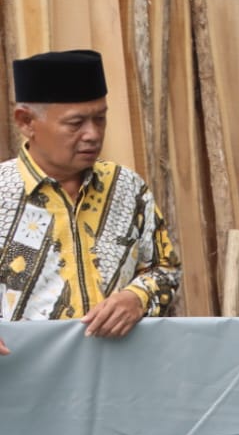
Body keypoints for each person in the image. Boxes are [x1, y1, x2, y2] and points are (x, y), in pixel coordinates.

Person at [0, 49, 180, 335]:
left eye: (100, 119)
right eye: (76, 123)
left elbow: (166, 268)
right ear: (26, 122)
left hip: (117, 371)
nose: (93, 134)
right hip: (21, 374)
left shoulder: (127, 189)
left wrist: (137, 296)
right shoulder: (3, 194)